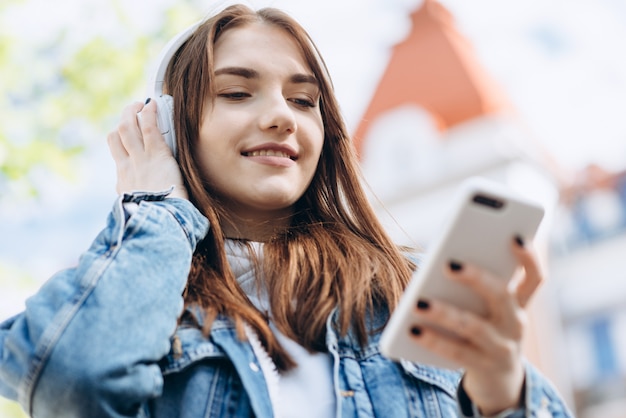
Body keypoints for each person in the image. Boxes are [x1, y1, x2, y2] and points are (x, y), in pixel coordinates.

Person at [0, 4, 573, 417]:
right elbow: (72, 383)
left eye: (304, 100)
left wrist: (505, 395)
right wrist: (155, 207)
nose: (283, 117)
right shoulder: (123, 295)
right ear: (171, 130)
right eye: (236, 92)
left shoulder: (406, 292)